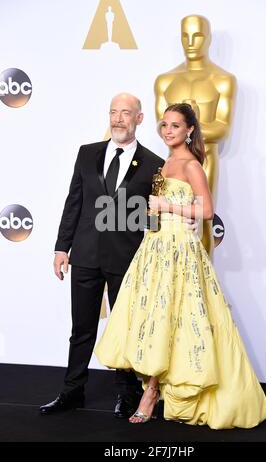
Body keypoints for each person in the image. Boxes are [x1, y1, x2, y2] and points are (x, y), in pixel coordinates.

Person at [95, 103, 266, 428]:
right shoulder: (166, 163)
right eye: (166, 125)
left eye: (176, 125)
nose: (169, 130)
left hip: (180, 252)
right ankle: (156, 388)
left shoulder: (190, 164)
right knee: (157, 320)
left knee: (173, 318)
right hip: (156, 246)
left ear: (190, 130)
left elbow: (205, 211)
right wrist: (153, 212)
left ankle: (150, 393)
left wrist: (165, 204)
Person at [39, 93, 166, 417]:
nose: (118, 118)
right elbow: (74, 203)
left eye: (126, 113)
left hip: (127, 259)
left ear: (139, 119)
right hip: (84, 255)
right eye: (113, 112)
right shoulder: (87, 154)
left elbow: (153, 220)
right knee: (81, 328)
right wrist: (61, 248)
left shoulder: (154, 164)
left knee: (125, 328)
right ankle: (72, 391)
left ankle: (126, 394)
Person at [154, 15, 237, 257]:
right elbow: (163, 127)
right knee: (167, 223)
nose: (191, 42)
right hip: (171, 163)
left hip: (206, 159)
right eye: (185, 36)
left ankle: (201, 284)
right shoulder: (165, 81)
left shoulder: (223, 80)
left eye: (198, 35)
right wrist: (184, 124)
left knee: (201, 223)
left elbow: (223, 129)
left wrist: (193, 122)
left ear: (209, 39)